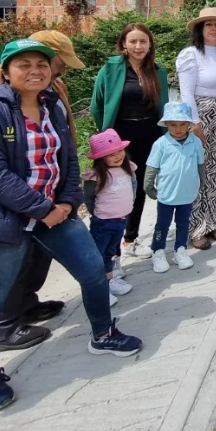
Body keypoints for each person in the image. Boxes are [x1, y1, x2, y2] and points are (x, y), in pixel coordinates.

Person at [0, 39, 142, 412]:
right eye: (23, 64)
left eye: (41, 64)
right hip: (2, 220)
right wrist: (42, 208)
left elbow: (68, 160)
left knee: (93, 270)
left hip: (55, 213)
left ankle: (103, 333)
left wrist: (67, 201)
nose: (35, 71)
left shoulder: (51, 108)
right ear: (6, 71)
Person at [0, 29, 83, 352]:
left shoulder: (49, 86)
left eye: (48, 66)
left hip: (49, 189)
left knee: (37, 254)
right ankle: (5, 326)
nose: (56, 70)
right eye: (60, 62)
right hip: (10, 196)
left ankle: (26, 304)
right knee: (11, 259)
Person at [91, 23, 170, 259]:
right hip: (120, 135)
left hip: (149, 132)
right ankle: (111, 251)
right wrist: (106, 135)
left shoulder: (157, 71)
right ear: (124, 43)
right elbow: (97, 104)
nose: (138, 46)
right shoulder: (111, 69)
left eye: (143, 41)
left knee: (141, 186)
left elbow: (163, 105)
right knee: (116, 188)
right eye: (133, 41)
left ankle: (130, 238)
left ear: (150, 44)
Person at [177, 7, 216, 250]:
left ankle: (212, 223)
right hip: (200, 115)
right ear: (200, 29)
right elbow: (186, 93)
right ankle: (196, 228)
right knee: (196, 172)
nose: (214, 28)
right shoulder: (191, 55)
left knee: (213, 172)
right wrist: (195, 124)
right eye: (209, 24)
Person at [144, 101, 207, 273]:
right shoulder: (161, 144)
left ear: (188, 124)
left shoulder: (195, 142)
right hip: (167, 194)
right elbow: (152, 167)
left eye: (182, 124)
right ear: (166, 125)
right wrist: (149, 186)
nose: (178, 129)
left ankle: (180, 249)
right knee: (162, 225)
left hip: (187, 193)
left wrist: (202, 182)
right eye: (173, 124)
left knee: (183, 223)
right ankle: (157, 250)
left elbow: (200, 165)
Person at [82, 129, 137, 305]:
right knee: (101, 255)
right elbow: (89, 198)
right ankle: (100, 289)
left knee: (111, 253)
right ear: (100, 158)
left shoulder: (128, 169)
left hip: (121, 219)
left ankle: (110, 280)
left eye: (119, 151)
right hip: (103, 223)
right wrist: (98, 215)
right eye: (110, 154)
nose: (117, 156)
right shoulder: (96, 175)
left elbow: (133, 187)